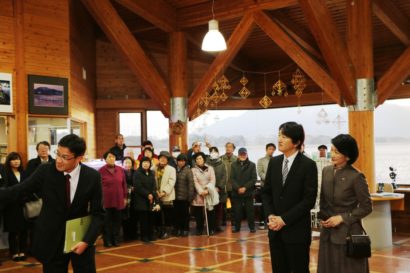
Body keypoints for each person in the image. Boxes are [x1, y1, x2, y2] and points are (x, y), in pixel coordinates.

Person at [0, 134, 105, 273]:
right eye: (58, 154)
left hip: (80, 238)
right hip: (51, 240)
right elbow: (19, 190)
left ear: (79, 158)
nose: (59, 161)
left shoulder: (92, 177)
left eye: (65, 157)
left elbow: (98, 213)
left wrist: (87, 240)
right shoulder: (46, 171)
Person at [262, 122, 318, 273]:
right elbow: (266, 192)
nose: (279, 139)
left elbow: (308, 200)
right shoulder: (274, 162)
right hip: (275, 231)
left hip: (297, 232)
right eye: (279, 135)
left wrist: (284, 219)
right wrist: (271, 215)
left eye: (284, 136)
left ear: (297, 142)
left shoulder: (308, 165)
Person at [317, 134, 372, 273]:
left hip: (348, 235)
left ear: (347, 156)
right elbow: (323, 199)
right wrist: (323, 218)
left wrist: (342, 218)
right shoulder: (326, 171)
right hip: (327, 233)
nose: (332, 154)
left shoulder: (357, 176)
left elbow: (366, 207)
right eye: (332, 149)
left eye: (337, 151)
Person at [1, 152, 28, 261]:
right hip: (11, 205)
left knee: (24, 230)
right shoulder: (5, 173)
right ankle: (13, 252)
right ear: (9, 161)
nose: (16, 161)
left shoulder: (24, 173)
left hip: (23, 204)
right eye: (13, 159)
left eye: (18, 159)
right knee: (13, 230)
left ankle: (22, 251)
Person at [99, 151, 127, 247]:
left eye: (113, 157)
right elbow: (98, 187)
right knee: (107, 222)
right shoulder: (101, 170)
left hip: (118, 199)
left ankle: (116, 240)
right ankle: (107, 241)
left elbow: (124, 184)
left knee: (117, 222)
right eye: (109, 157)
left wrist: (125, 197)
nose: (112, 158)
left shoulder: (120, 169)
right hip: (106, 201)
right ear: (105, 159)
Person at [231, 147, 257, 233]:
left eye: (244, 154)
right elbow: (232, 179)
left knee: (250, 211)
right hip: (237, 192)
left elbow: (254, 179)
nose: (243, 155)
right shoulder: (233, 165)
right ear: (238, 155)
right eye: (241, 154)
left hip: (248, 192)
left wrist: (245, 187)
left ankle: (252, 227)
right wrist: (238, 188)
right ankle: (237, 227)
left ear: (247, 154)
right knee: (237, 211)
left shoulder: (252, 165)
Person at [133, 157, 159, 243]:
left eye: (147, 162)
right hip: (141, 199)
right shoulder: (137, 173)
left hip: (151, 199)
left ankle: (151, 234)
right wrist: (147, 194)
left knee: (151, 218)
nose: (146, 164)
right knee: (143, 219)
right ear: (141, 163)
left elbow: (154, 185)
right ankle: (144, 236)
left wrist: (152, 194)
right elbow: (138, 187)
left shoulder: (151, 173)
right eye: (144, 162)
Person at [191, 152, 217, 235]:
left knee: (210, 212)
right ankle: (199, 229)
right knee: (198, 213)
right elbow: (195, 181)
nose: (199, 160)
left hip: (208, 192)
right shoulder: (193, 170)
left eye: (200, 158)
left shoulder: (210, 168)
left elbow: (212, 180)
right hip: (199, 193)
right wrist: (201, 191)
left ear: (204, 159)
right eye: (197, 159)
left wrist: (207, 190)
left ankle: (211, 228)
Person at [154, 151, 176, 239]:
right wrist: (156, 192)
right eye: (161, 158)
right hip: (156, 195)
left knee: (167, 215)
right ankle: (159, 230)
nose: (162, 159)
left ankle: (167, 231)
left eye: (165, 158)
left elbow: (172, 181)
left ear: (167, 160)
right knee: (157, 214)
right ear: (158, 159)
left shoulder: (171, 169)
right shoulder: (153, 168)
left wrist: (164, 192)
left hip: (167, 195)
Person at [206, 147, 227, 233]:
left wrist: (219, 187)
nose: (213, 153)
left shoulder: (222, 164)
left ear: (218, 153)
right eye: (212, 151)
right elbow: (205, 177)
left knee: (219, 209)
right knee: (210, 209)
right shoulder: (206, 163)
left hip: (220, 190)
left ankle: (217, 225)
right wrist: (210, 188)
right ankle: (210, 227)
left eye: (215, 151)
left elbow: (224, 177)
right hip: (209, 190)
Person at [174, 153, 194, 236]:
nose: (181, 162)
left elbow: (191, 184)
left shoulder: (188, 170)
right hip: (175, 197)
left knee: (185, 215)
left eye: (182, 161)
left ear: (185, 162)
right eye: (179, 161)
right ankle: (178, 229)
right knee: (177, 215)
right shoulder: (174, 170)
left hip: (185, 197)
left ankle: (185, 229)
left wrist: (190, 197)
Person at [256, 143, 276, 229]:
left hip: (275, 187)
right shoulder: (261, 160)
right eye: (269, 149)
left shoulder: (276, 160)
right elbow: (260, 173)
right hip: (264, 186)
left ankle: (271, 221)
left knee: (274, 205)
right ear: (266, 150)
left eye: (272, 149)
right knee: (264, 205)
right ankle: (261, 221)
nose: (271, 150)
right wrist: (269, 179)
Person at [122, 156, 138, 241]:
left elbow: (138, 183)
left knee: (134, 216)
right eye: (126, 163)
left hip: (134, 198)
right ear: (123, 164)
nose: (128, 164)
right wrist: (129, 188)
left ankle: (134, 234)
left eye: (129, 163)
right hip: (125, 197)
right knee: (125, 217)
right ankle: (126, 235)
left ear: (132, 164)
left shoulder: (135, 172)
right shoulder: (120, 173)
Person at [221, 142, 237, 227]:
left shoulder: (237, 159)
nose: (228, 148)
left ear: (233, 149)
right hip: (223, 186)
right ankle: (223, 221)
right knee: (223, 204)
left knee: (234, 205)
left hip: (233, 186)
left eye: (230, 147)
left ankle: (233, 221)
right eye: (227, 147)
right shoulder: (221, 159)